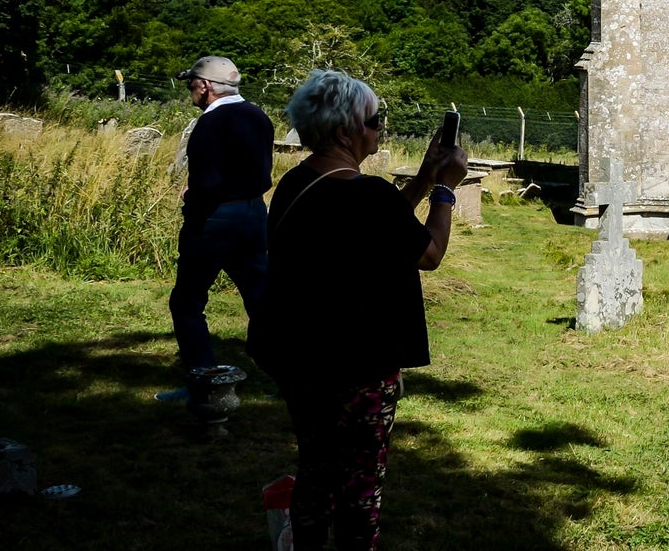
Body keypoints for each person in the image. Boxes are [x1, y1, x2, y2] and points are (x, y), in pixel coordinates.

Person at [252, 69, 466, 551]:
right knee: (359, 491)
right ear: (346, 130)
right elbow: (427, 253)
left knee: (316, 469)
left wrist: (424, 176)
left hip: (301, 358)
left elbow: (381, 224)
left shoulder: (297, 183)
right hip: (358, 366)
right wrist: (445, 189)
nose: (379, 130)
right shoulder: (365, 196)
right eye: (374, 121)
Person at [165, 55, 274, 391]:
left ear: (206, 86)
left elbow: (209, 184)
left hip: (215, 219)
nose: (191, 93)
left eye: (191, 86)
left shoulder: (210, 124)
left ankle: (205, 381)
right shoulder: (259, 116)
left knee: (187, 302)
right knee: (260, 299)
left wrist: (190, 197)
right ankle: (287, 376)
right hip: (254, 213)